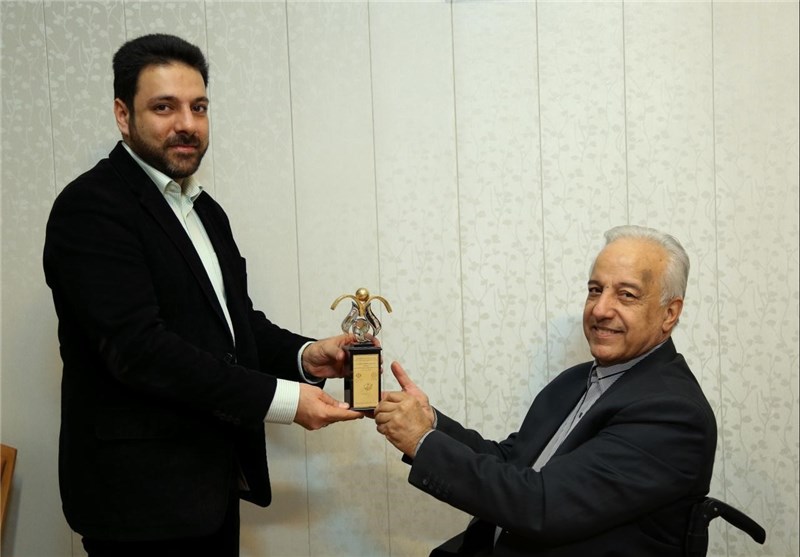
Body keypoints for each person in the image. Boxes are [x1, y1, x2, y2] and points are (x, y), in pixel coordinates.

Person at [43, 33, 365, 556]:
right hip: (137, 505)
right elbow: (139, 351)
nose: (187, 124)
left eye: (198, 107)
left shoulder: (204, 210)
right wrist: (282, 401)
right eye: (164, 107)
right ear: (123, 115)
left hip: (210, 488)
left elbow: (235, 325)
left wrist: (307, 356)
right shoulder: (91, 208)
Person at [375, 225, 717, 556]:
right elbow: (513, 462)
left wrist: (422, 441)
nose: (600, 309)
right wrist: (431, 424)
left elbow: (543, 505)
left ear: (669, 313)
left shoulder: (672, 413)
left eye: (626, 295)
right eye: (595, 290)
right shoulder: (575, 380)